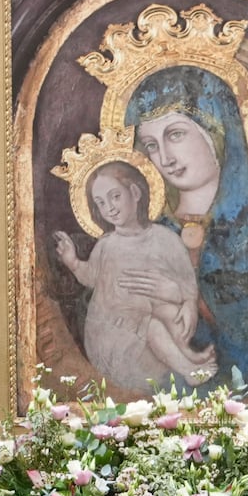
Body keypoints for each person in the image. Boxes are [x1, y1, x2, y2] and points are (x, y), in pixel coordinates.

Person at [125, 64, 248, 392]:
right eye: (150, 144)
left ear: (217, 133)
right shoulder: (146, 236)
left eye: (175, 134)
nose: (164, 157)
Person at [52, 160, 217, 393]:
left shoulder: (165, 239)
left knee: (170, 313)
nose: (109, 207)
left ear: (136, 192)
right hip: (112, 333)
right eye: (100, 203)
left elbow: (186, 281)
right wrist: (73, 262)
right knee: (152, 326)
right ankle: (188, 370)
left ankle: (188, 354)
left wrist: (189, 303)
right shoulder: (107, 245)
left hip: (145, 320)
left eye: (115, 196)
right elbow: (90, 278)